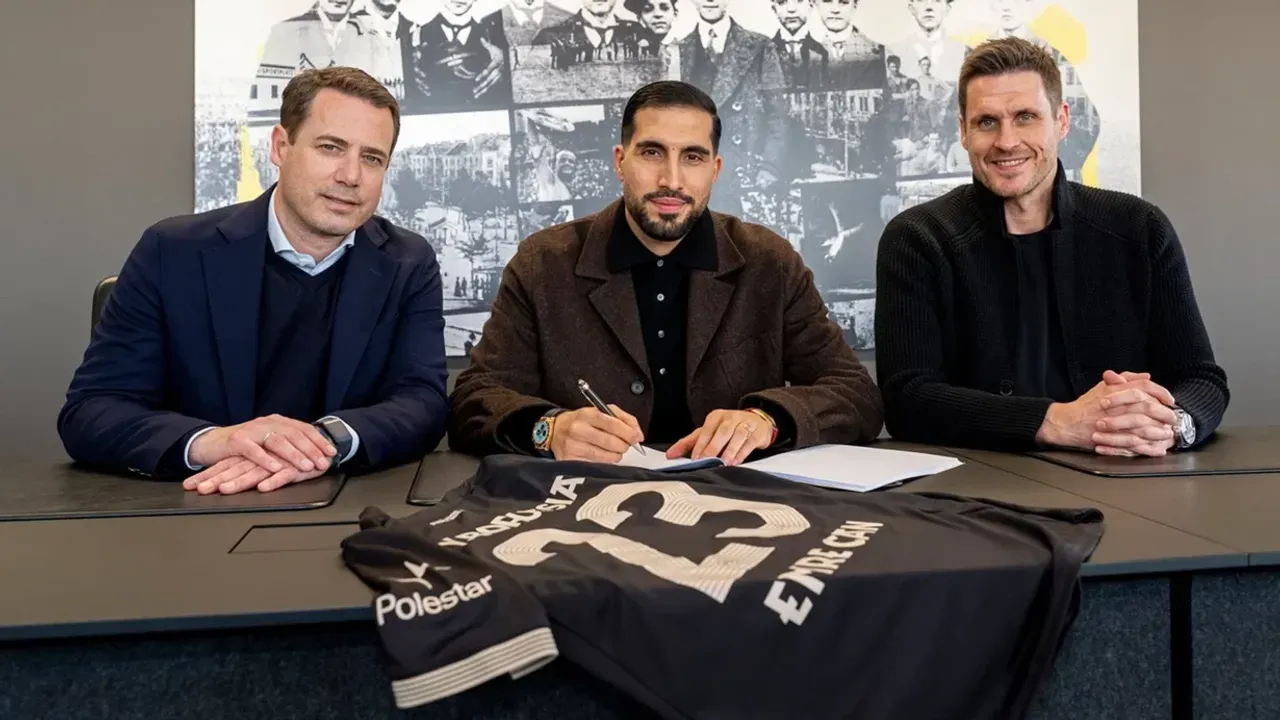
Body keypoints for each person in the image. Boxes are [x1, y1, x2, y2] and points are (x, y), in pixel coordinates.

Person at [58, 67, 450, 494]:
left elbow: (423, 403)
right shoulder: (171, 252)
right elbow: (92, 410)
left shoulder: (408, 263)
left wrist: (323, 441)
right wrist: (214, 442)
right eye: (330, 148)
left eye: (372, 158)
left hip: (340, 503)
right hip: (195, 502)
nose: (351, 176)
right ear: (281, 147)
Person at [449, 81, 883, 465]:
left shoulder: (769, 261)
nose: (671, 179)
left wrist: (768, 421)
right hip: (583, 502)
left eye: (692, 157)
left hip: (739, 498)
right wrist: (550, 430)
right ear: (620, 161)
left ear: (714, 170)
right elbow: (474, 400)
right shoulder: (543, 263)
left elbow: (856, 393)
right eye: (652, 152)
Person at [873, 37, 1229, 457]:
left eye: (1025, 117)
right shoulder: (916, 238)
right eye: (987, 122)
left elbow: (1201, 379)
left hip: (1125, 471)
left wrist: (1172, 426)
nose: (1007, 141)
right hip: (976, 480)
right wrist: (1057, 421)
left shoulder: (1140, 227)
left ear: (1061, 121)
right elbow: (907, 399)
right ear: (963, 131)